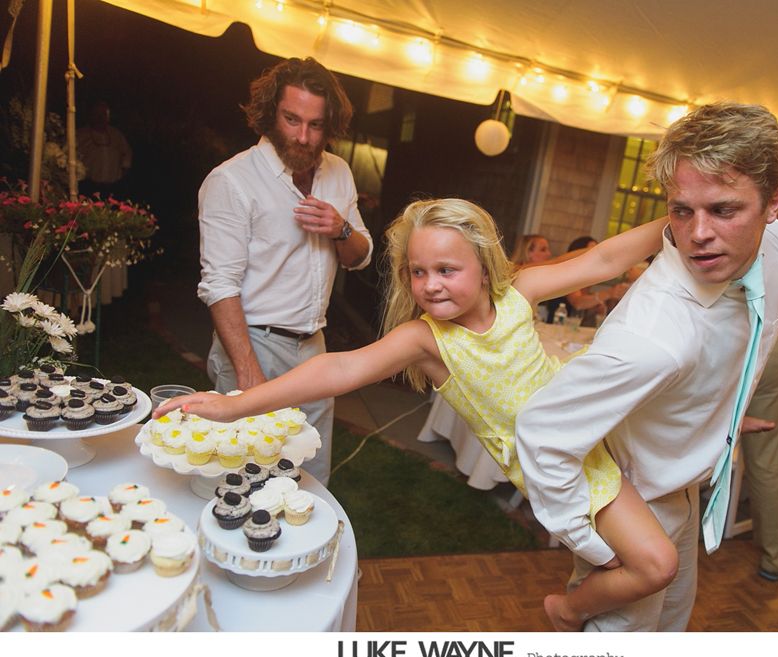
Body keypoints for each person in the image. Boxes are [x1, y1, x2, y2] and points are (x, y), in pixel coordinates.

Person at [159, 198, 678, 632]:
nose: (430, 285)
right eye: (418, 272)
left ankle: (579, 599)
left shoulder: (519, 294)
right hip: (559, 471)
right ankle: (567, 610)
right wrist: (233, 405)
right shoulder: (426, 339)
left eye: (447, 270)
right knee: (655, 566)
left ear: (483, 265)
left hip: (592, 439)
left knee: (648, 553)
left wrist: (681, 213)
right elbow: (339, 369)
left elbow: (606, 257)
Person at [515, 102, 778, 631]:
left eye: (723, 210)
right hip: (633, 497)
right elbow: (540, 432)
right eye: (681, 211)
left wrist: (725, 419)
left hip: (683, 483)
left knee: (669, 631)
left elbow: (742, 343)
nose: (698, 234)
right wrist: (596, 548)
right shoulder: (654, 336)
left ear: (773, 202)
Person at [196, 57, 373, 486]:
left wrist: (340, 228)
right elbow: (220, 286)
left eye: (316, 125)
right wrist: (249, 375)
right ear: (270, 113)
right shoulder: (232, 181)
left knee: (307, 476)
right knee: (240, 477)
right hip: (255, 340)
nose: (303, 136)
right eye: (292, 119)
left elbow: (360, 255)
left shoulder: (340, 171)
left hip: (314, 347)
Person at [739, 337, 778, 581]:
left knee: (688, 436)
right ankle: (776, 556)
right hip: (768, 342)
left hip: (719, 337)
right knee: (766, 460)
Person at [77, 100, 133, 198]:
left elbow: (127, 154)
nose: (100, 118)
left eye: (103, 114)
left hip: (113, 187)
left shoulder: (116, 135)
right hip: (89, 187)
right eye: (97, 114)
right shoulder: (80, 135)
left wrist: (123, 173)